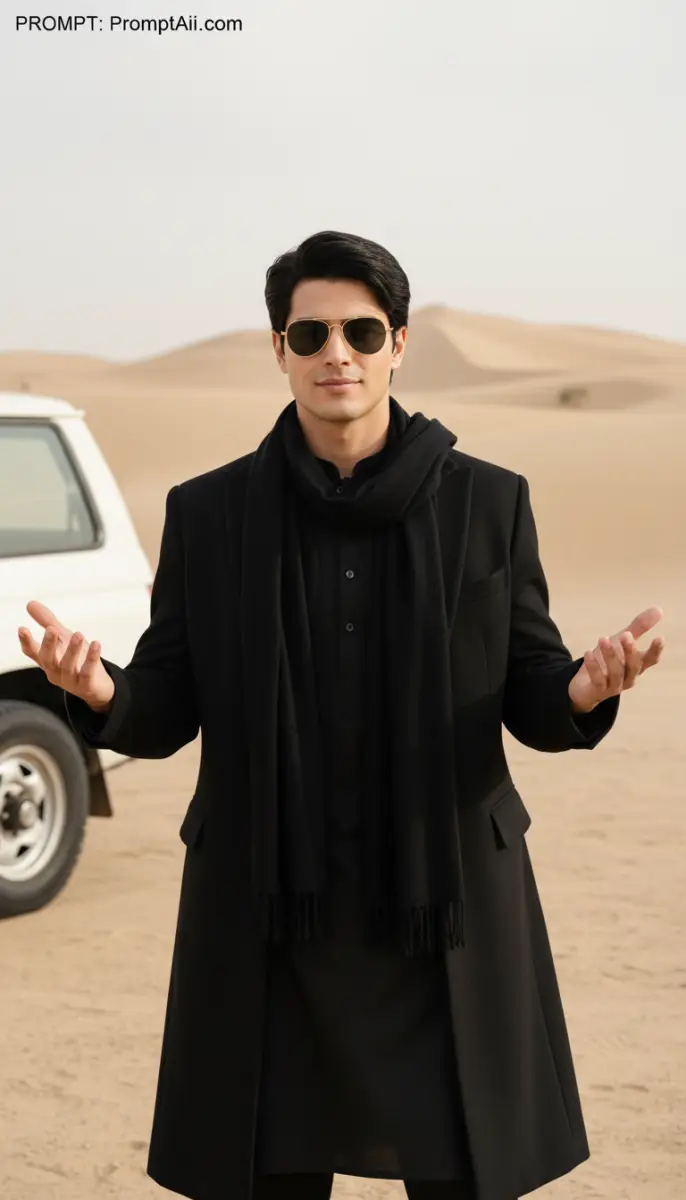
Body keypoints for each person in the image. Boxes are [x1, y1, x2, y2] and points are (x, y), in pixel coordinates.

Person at [18, 230, 665, 1200]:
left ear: (398, 345)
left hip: (437, 911)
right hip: (276, 915)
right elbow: (164, 705)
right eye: (310, 332)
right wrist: (98, 688)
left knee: (457, 1174)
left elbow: (528, 690)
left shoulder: (486, 503)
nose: (337, 354)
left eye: (362, 331)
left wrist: (581, 689)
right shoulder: (211, 515)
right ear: (275, 348)